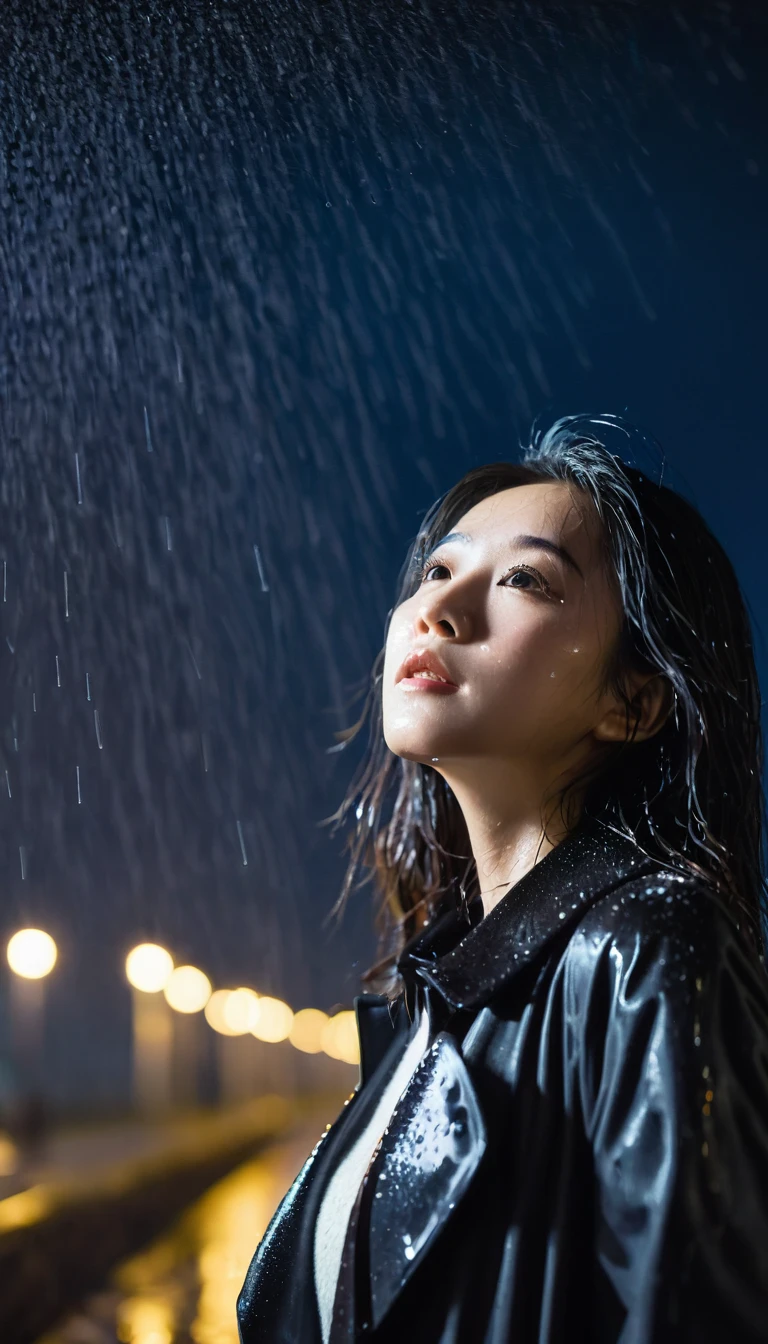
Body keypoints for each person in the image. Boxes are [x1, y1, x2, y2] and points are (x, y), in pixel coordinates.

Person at [238, 414, 768, 1343]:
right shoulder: (433, 1001)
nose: (439, 607)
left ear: (634, 700)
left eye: (525, 578)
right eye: (438, 571)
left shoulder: (644, 947)